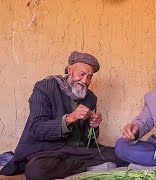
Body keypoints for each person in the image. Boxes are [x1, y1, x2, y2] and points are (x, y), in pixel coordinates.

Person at [0, 51, 128, 179]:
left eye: (89, 77)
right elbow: (36, 128)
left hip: (76, 152)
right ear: (70, 70)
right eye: (82, 74)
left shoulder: (90, 98)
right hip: (47, 151)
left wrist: (93, 126)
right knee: (37, 170)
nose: (85, 80)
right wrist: (70, 118)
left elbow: (89, 142)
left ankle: (78, 164)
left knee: (122, 155)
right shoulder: (45, 87)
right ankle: (84, 166)